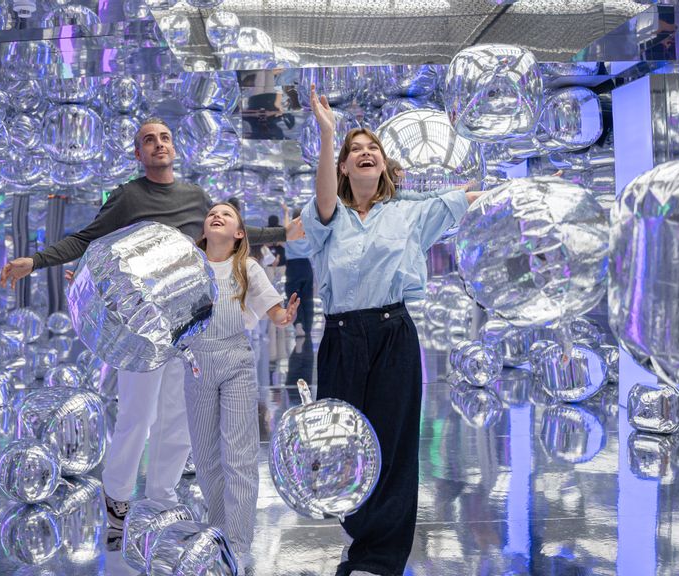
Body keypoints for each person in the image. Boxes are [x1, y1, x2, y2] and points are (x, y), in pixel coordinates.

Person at [0, 118, 302, 535]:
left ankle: (161, 498)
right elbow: (87, 239)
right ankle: (117, 498)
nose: (159, 145)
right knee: (137, 416)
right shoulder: (127, 197)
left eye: (165, 138)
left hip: (189, 324)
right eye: (149, 141)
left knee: (178, 420)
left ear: (174, 148)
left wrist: (284, 233)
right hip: (139, 328)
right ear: (138, 154)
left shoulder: (196, 197)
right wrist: (35, 261)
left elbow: (235, 232)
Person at [302, 86, 480, 576]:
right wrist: (327, 133)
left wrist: (525, 193)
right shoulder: (328, 217)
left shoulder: (410, 213)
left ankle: (379, 559)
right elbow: (320, 202)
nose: (364, 153)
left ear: (383, 165)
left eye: (372, 149)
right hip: (340, 338)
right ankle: (358, 536)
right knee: (343, 443)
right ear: (342, 168)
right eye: (354, 151)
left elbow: (468, 198)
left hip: (392, 333)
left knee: (394, 444)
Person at [184, 202, 299, 566]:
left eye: (227, 214)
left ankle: (239, 543)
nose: (217, 216)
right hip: (196, 364)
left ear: (238, 234)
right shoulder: (187, 268)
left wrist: (284, 317)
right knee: (205, 458)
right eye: (212, 213)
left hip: (236, 361)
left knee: (240, 456)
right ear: (204, 229)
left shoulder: (246, 267)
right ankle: (219, 533)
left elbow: (274, 311)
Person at [283, 206, 313, 338]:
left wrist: (285, 212)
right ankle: (308, 326)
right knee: (307, 297)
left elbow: (284, 228)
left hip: (292, 266)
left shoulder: (289, 232)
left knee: (294, 297)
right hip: (306, 265)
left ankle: (298, 323)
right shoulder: (309, 231)